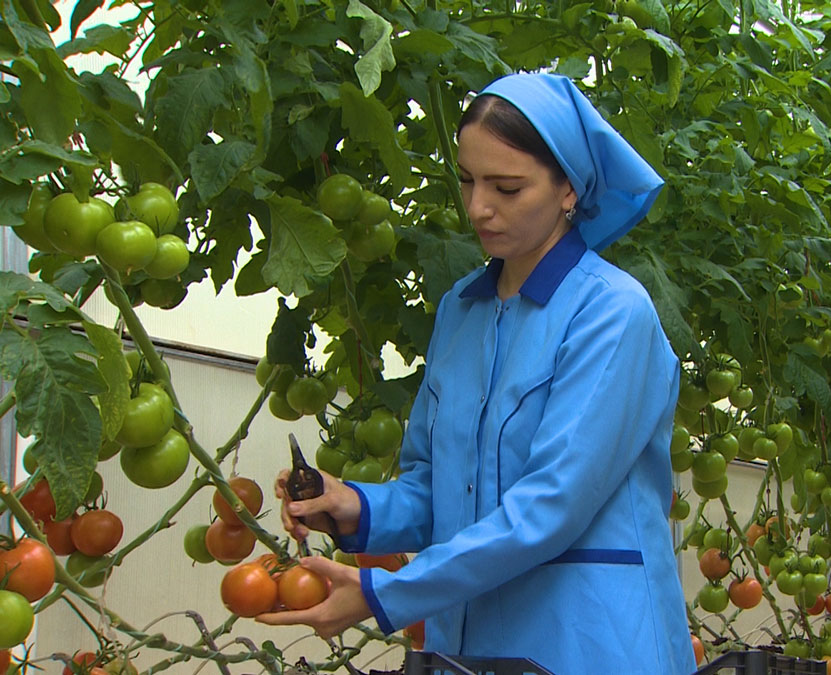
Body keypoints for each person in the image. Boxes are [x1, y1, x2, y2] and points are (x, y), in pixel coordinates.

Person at [259, 72, 695, 675]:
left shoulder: (612, 314)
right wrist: (354, 506)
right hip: (464, 646)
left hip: (586, 642)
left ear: (569, 188)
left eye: (506, 187)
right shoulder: (461, 310)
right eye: (467, 179)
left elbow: (550, 507)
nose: (477, 207)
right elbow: (437, 488)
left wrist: (382, 593)